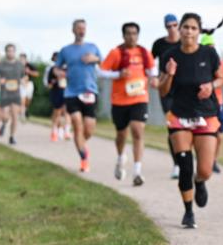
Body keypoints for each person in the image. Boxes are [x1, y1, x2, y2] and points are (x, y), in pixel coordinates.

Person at [157, 12, 223, 229]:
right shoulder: (169, 55)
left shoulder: (209, 53)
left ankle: (200, 181)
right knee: (185, 165)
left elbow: (222, 77)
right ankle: (188, 212)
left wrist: (211, 86)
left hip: (205, 114)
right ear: (180, 30)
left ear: (199, 31)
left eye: (193, 28)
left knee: (204, 169)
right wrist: (169, 75)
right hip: (179, 116)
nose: (188, 31)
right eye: (185, 27)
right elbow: (163, 90)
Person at [101, 22, 156, 186]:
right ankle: (120, 158)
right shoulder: (116, 52)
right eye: (128, 33)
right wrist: (118, 74)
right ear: (123, 35)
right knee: (121, 135)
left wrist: (153, 78)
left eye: (134, 33)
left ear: (138, 35)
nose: (132, 36)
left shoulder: (144, 52)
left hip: (139, 98)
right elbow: (101, 71)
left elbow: (152, 70)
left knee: (137, 131)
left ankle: (137, 172)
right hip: (119, 100)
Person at [56, 19, 102, 172]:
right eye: (78, 28)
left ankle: (81, 143)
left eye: (83, 28)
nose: (81, 31)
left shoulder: (92, 47)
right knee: (76, 122)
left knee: (88, 129)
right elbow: (56, 69)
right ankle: (84, 158)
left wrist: (94, 59)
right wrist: (60, 73)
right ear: (73, 30)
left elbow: (104, 62)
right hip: (72, 92)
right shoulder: (65, 50)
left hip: (89, 91)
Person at [151, 14, 182, 179]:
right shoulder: (159, 45)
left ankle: (187, 159)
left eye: (174, 25)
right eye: (168, 26)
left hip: (184, 90)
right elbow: (149, 64)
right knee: (173, 127)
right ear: (165, 27)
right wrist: (153, 78)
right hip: (166, 90)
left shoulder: (184, 41)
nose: (172, 28)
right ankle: (177, 164)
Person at [199, 25, 223, 174]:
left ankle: (213, 161)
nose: (210, 50)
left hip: (218, 103)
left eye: (212, 47)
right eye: (207, 46)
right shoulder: (198, 62)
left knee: (220, 135)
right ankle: (203, 160)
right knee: (204, 134)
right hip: (202, 104)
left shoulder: (220, 62)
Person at [0, 43, 26, 145]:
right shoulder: (1, 64)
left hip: (16, 93)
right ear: (6, 52)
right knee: (5, 116)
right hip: (4, 93)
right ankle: (4, 123)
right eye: (8, 51)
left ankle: (12, 137)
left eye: (12, 51)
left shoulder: (19, 65)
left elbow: (24, 77)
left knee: (15, 116)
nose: (10, 53)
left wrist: (23, 81)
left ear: (14, 52)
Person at [44, 52, 70, 141]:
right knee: (57, 112)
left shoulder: (68, 68)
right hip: (56, 92)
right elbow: (49, 84)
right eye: (56, 58)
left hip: (67, 92)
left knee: (66, 112)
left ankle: (65, 131)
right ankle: (54, 130)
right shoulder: (52, 69)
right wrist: (55, 81)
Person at [19, 53, 39, 119]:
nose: (21, 60)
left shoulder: (30, 66)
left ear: (25, 59)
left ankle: (26, 108)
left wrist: (29, 71)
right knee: (22, 99)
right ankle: (22, 115)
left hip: (29, 84)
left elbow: (37, 74)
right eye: (20, 59)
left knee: (28, 100)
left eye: (22, 59)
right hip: (21, 84)